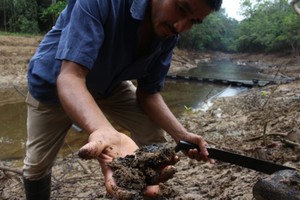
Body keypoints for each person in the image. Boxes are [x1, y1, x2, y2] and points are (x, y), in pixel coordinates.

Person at [23, 0, 222, 199]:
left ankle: (140, 187)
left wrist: (181, 135)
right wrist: (104, 129)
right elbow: (71, 76)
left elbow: (148, 93)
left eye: (193, 21)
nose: (180, 26)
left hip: (110, 85)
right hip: (55, 84)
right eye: (181, 9)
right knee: (37, 166)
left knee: (154, 137)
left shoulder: (168, 34)